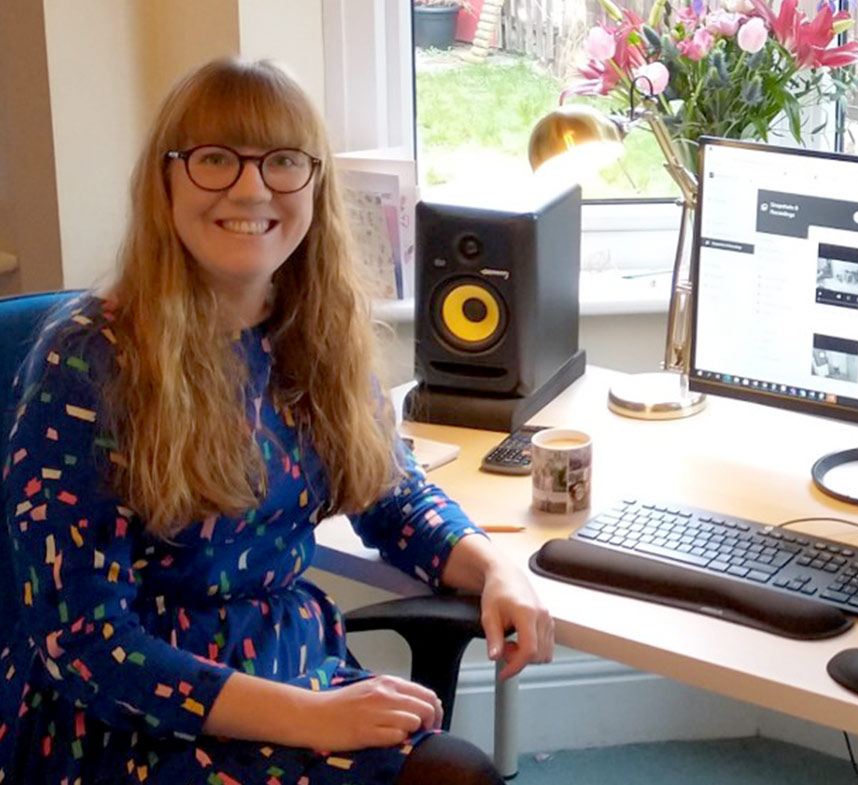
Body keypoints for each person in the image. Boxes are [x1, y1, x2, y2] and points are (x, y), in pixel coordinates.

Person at [0, 58, 553, 784]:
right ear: (165, 180)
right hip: (131, 724)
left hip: (293, 671)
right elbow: (84, 644)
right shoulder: (89, 360)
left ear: (314, 183)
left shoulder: (313, 332)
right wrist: (312, 718)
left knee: (455, 773)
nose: (251, 188)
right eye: (215, 159)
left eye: (283, 160)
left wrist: (494, 567)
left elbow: (392, 496)